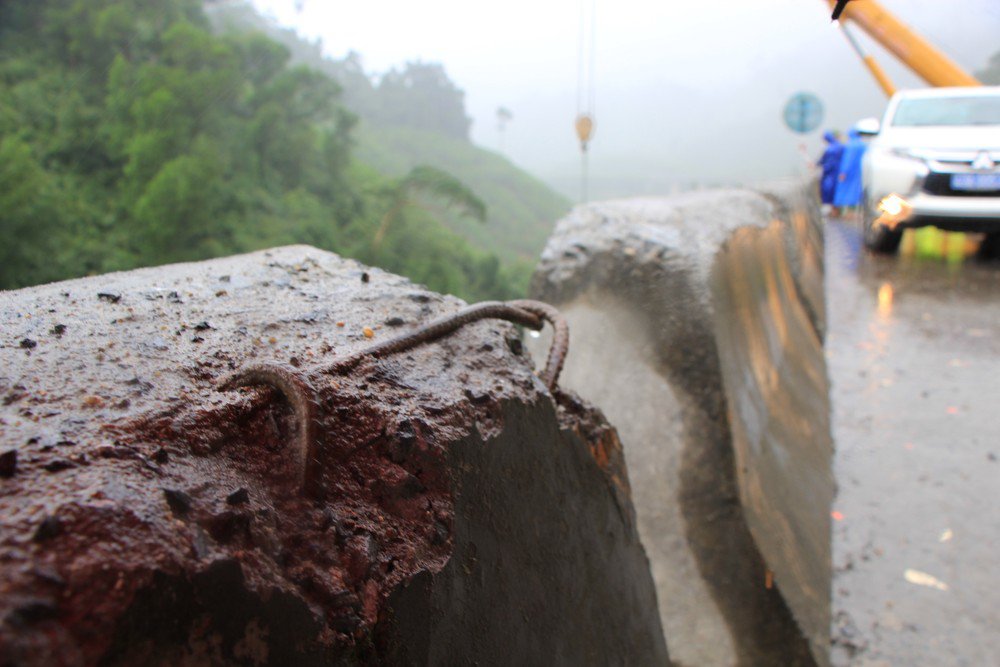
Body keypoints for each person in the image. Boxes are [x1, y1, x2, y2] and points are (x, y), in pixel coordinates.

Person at [833, 128, 866, 213]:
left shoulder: (851, 145)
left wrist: (843, 172)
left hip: (850, 173)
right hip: (860, 172)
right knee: (857, 191)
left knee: (847, 192)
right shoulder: (863, 145)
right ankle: (855, 211)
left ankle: (847, 211)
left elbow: (847, 160)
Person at [817, 130, 844, 216]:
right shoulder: (841, 146)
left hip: (831, 173)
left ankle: (834, 212)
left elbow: (824, 161)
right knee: (837, 191)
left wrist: (817, 165)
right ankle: (837, 211)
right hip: (840, 173)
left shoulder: (830, 149)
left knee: (829, 191)